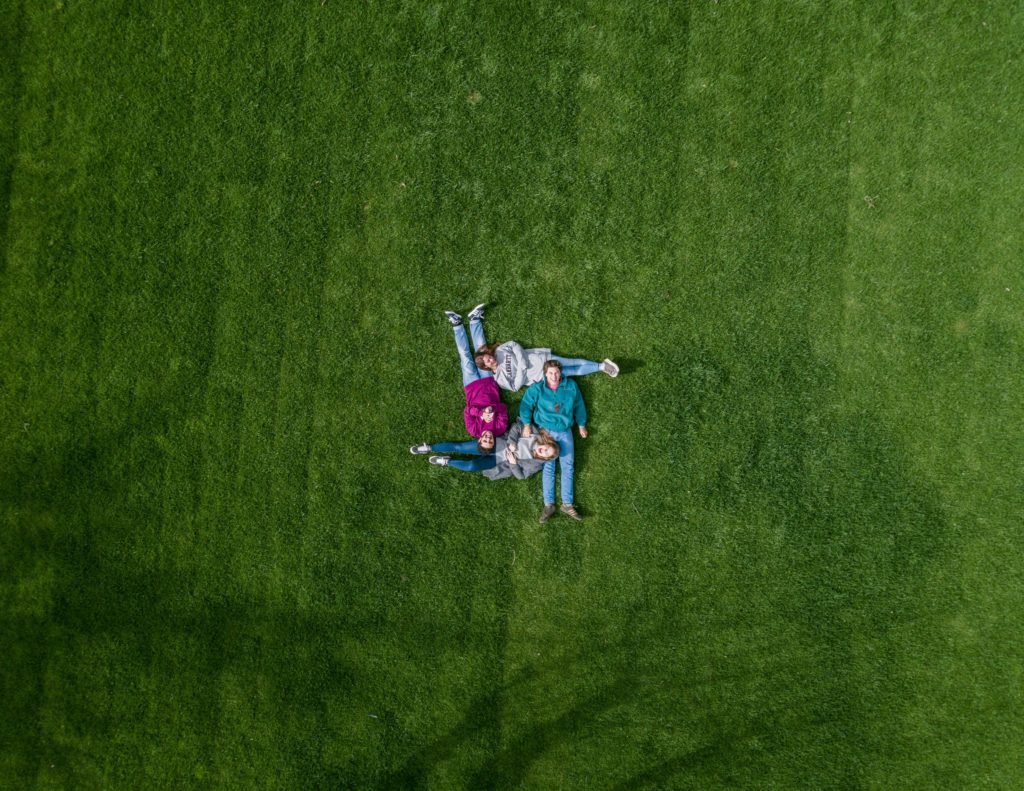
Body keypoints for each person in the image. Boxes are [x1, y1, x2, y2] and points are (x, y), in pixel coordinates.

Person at [463, 304, 619, 391]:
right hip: (542, 375)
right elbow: (515, 387)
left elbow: (514, 345)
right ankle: (600, 367)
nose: (489, 359)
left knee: (570, 361)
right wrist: (522, 370)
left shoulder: (500, 351)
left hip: (542, 359)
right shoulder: (499, 379)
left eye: (487, 356)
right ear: (487, 367)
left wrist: (522, 362)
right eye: (487, 361)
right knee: (573, 372)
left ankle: (602, 365)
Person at [519, 360, 588, 522]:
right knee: (548, 466)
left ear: (560, 372)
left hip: (565, 431)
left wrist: (581, 424)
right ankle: (549, 504)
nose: (554, 376)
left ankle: (567, 503)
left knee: (568, 466)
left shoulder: (570, 386)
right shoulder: (538, 388)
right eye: (550, 373)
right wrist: (527, 424)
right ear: (545, 374)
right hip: (546, 432)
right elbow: (526, 404)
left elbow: (579, 405)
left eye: (556, 372)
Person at [410, 419, 559, 480]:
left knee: (471, 466)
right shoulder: (533, 433)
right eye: (546, 448)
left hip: (497, 461)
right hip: (495, 444)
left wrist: (513, 463)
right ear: (545, 443)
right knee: (460, 447)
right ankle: (429, 447)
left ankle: (447, 461)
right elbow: (517, 426)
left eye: (546, 454)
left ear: (545, 458)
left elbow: (521, 476)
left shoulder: (536, 464)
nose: (543, 451)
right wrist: (512, 442)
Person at [444, 306, 509, 439]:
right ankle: (475, 320)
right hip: (488, 382)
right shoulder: (500, 428)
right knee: (482, 351)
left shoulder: (474, 430)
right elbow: (503, 408)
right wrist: (492, 409)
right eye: (490, 441)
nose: (488, 438)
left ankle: (457, 324)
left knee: (465, 356)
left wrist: (480, 413)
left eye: (484, 440)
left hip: (471, 385)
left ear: (480, 440)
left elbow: (467, 411)